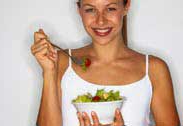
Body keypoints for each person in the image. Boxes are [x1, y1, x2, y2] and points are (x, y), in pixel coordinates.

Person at [31, 0, 180, 125]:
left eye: (110, 8)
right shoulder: (60, 62)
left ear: (126, 6)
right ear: (79, 10)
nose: (100, 20)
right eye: (90, 10)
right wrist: (49, 71)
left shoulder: (154, 69)